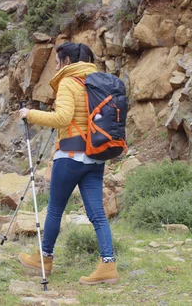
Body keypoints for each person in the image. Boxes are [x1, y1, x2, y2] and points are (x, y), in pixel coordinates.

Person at [17, 42, 120, 285]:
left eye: (57, 62)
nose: (55, 66)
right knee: (97, 215)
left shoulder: (68, 82)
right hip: (96, 156)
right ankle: (108, 265)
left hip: (71, 155)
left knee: (54, 210)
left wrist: (29, 114)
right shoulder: (95, 83)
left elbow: (62, 118)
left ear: (66, 62)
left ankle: (44, 258)